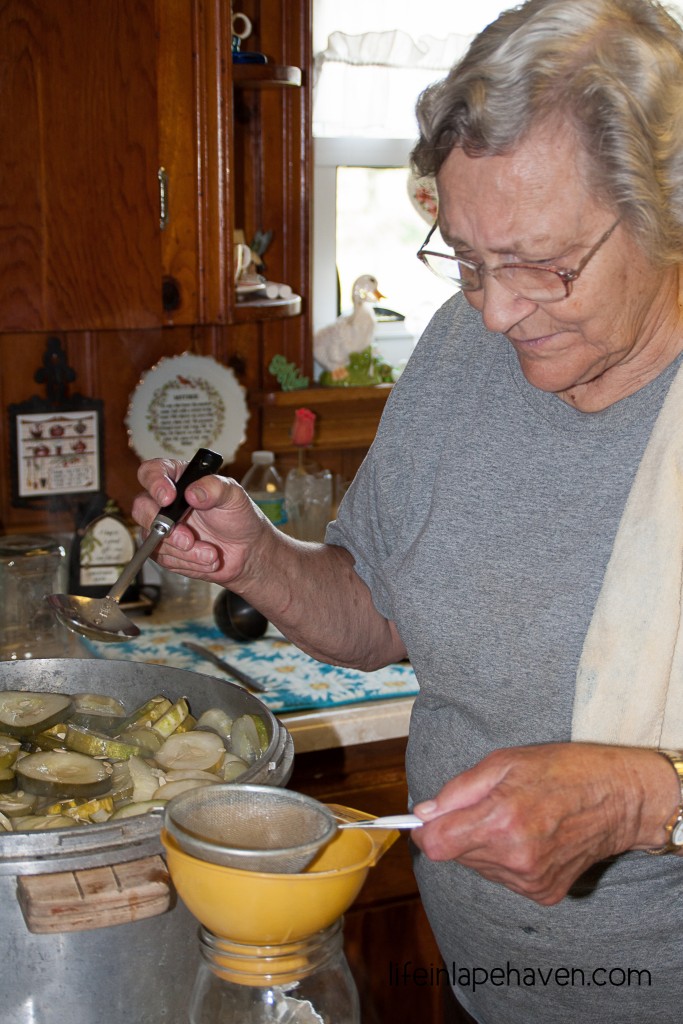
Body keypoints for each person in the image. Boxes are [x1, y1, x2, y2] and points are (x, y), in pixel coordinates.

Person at [132, 1, 683, 1020]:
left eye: (539, 263)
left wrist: (643, 798)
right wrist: (258, 557)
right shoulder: (458, 353)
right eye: (465, 257)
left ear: (666, 210)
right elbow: (378, 608)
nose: (494, 309)